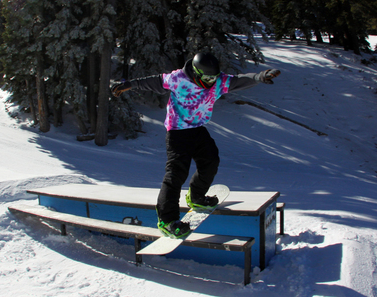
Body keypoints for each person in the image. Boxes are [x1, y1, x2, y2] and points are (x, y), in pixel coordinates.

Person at [111, 52, 280, 238]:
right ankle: (167, 221)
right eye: (207, 78)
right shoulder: (178, 79)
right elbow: (154, 82)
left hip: (197, 129)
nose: (210, 82)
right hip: (177, 132)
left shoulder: (218, 82)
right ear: (197, 73)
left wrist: (258, 77)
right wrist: (130, 84)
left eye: (213, 78)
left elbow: (239, 81)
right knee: (176, 173)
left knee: (211, 160)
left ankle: (196, 197)